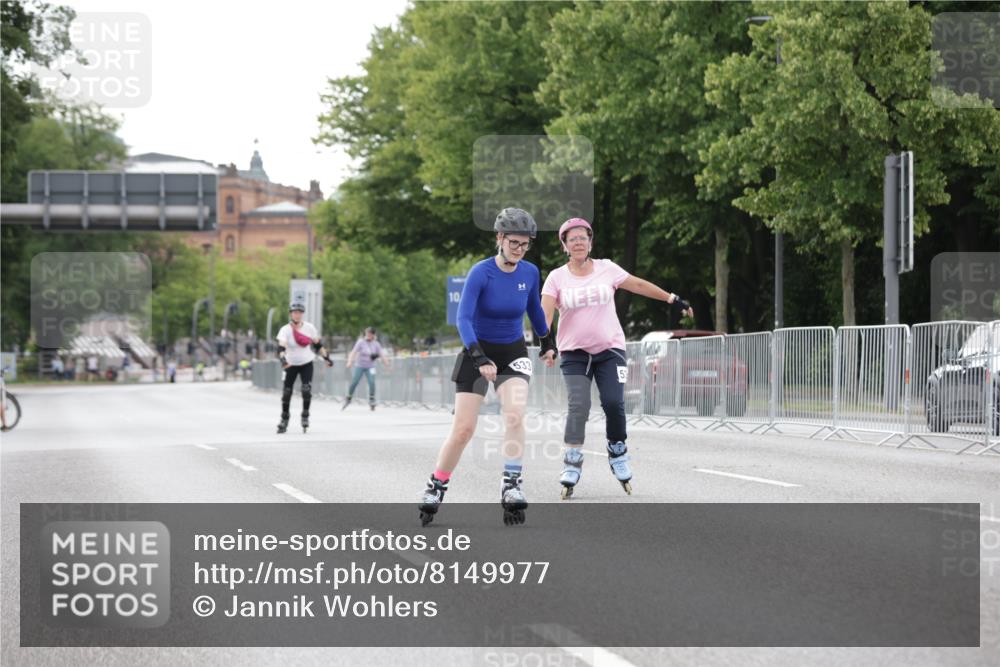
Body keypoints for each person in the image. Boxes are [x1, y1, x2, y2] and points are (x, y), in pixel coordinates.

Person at [540, 218, 694, 499]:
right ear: (564, 245)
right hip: (574, 353)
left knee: (613, 402)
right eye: (571, 239)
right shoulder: (556, 277)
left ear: (590, 241)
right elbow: (545, 314)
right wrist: (545, 344)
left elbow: (637, 285)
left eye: (582, 237)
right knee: (579, 406)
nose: (577, 242)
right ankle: (572, 460)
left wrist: (672, 299)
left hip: (610, 350)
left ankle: (617, 450)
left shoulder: (607, 268)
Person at [418, 207, 550, 527]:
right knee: (464, 430)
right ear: (500, 238)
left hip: (513, 351)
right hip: (477, 350)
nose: (520, 250)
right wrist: (479, 358)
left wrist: (548, 341)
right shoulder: (481, 272)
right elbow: (463, 318)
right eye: (515, 243)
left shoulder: (530, 272)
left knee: (515, 413)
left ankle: (511, 486)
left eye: (525, 244)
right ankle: (436, 485)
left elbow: (534, 309)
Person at [275, 300, 333, 433]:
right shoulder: (285, 329)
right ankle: (284, 419)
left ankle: (305, 416)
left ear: (302, 314)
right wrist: (283, 360)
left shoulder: (309, 328)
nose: (297, 315)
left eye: (300, 313)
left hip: (306, 362)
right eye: (295, 312)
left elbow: (318, 345)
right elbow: (281, 346)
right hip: (290, 364)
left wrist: (327, 358)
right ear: (291, 314)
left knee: (306, 390)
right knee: (286, 393)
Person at [343, 327, 388, 411]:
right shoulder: (361, 342)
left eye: (370, 334)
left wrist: (386, 364)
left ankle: (372, 399)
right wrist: (349, 362)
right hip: (360, 365)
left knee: (372, 382)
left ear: (373, 335)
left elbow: (381, 354)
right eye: (367, 333)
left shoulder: (376, 344)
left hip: (371, 366)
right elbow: (353, 352)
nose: (368, 335)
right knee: (355, 381)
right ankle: (348, 397)